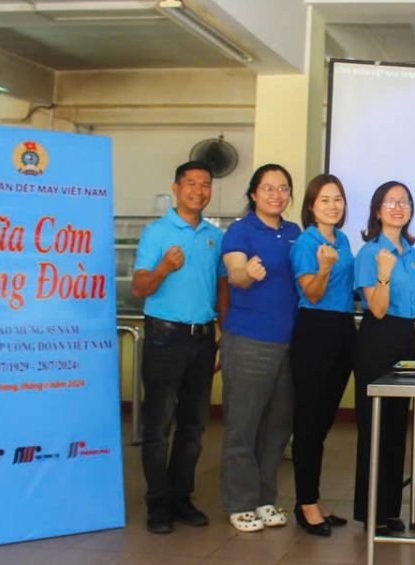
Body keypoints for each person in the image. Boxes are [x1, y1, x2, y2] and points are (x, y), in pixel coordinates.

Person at [132, 160, 225, 535]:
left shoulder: (215, 236)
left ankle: (181, 498)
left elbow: (222, 288)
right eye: (191, 183)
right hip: (164, 338)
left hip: (202, 339)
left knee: (194, 426)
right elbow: (139, 287)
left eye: (205, 185)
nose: (198, 191)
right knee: (158, 425)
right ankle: (157, 504)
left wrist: (223, 333)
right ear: (176, 188)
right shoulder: (156, 233)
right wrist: (163, 269)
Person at [219, 164, 301, 532]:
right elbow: (235, 274)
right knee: (244, 426)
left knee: (277, 428)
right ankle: (240, 503)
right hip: (249, 341)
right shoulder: (240, 231)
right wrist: (246, 275)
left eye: (283, 188)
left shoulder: (294, 233)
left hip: (289, 343)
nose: (276, 195)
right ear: (253, 194)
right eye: (268, 188)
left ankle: (265, 499)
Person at [353, 181, 415, 535]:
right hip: (378, 339)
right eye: (390, 202)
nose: (398, 207)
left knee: (397, 426)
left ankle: (390, 508)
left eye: (404, 202)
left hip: (406, 338)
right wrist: (383, 276)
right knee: (376, 426)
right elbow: (378, 310)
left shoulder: (410, 252)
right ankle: (372, 512)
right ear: (377, 210)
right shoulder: (370, 253)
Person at [288, 174, 355, 536]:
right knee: (309, 423)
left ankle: (313, 497)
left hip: (343, 329)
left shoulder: (342, 239)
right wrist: (325, 267)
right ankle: (305, 503)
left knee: (324, 422)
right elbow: (312, 294)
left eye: (338, 199)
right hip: (315, 330)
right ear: (311, 207)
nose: (333, 206)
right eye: (325, 200)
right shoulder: (306, 243)